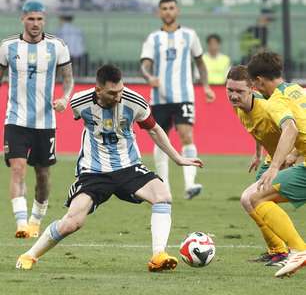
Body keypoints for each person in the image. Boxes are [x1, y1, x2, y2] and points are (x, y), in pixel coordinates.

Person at [16, 64, 203, 272]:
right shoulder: (80, 103)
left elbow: (154, 129)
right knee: (72, 222)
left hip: (128, 166)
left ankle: (158, 255)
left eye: (121, 90)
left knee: (162, 195)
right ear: (98, 90)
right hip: (93, 171)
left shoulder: (134, 101)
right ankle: (29, 255)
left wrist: (177, 157)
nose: (118, 97)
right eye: (113, 93)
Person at [0, 1, 74, 239]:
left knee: (43, 175)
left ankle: (35, 219)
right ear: (22, 19)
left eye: (39, 19)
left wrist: (65, 98)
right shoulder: (8, 47)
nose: (35, 24)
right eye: (31, 19)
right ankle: (21, 224)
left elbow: (68, 79)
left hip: (45, 122)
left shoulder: (57, 46)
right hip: (15, 119)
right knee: (17, 168)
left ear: (45, 20)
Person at [140, 0, 215, 199]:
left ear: (177, 10)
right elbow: (144, 65)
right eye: (164, 8)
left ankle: (190, 184)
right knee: (161, 140)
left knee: (186, 135)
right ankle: (164, 188)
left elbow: (200, 62)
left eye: (171, 8)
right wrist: (149, 77)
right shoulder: (153, 38)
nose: (168, 11)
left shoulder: (190, 35)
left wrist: (206, 86)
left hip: (184, 96)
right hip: (159, 98)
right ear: (159, 12)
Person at [239, 51, 306, 278]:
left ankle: (299, 250)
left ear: (258, 81)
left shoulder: (275, 101)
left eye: (254, 85)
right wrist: (296, 152)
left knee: (255, 197)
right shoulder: (297, 89)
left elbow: (291, 128)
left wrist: (275, 166)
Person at [226, 65, 294, 266]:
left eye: (239, 91)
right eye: (230, 90)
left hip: (289, 159)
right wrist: (257, 154)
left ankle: (288, 250)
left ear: (253, 89)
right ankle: (277, 250)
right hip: (270, 159)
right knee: (254, 202)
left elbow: (293, 130)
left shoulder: (267, 108)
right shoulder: (238, 107)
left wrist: (288, 158)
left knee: (251, 200)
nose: (234, 96)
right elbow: (256, 131)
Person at [56, 12, 88, 77]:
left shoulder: (60, 31)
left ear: (61, 19)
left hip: (67, 57)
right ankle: (83, 76)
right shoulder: (78, 30)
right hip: (79, 56)